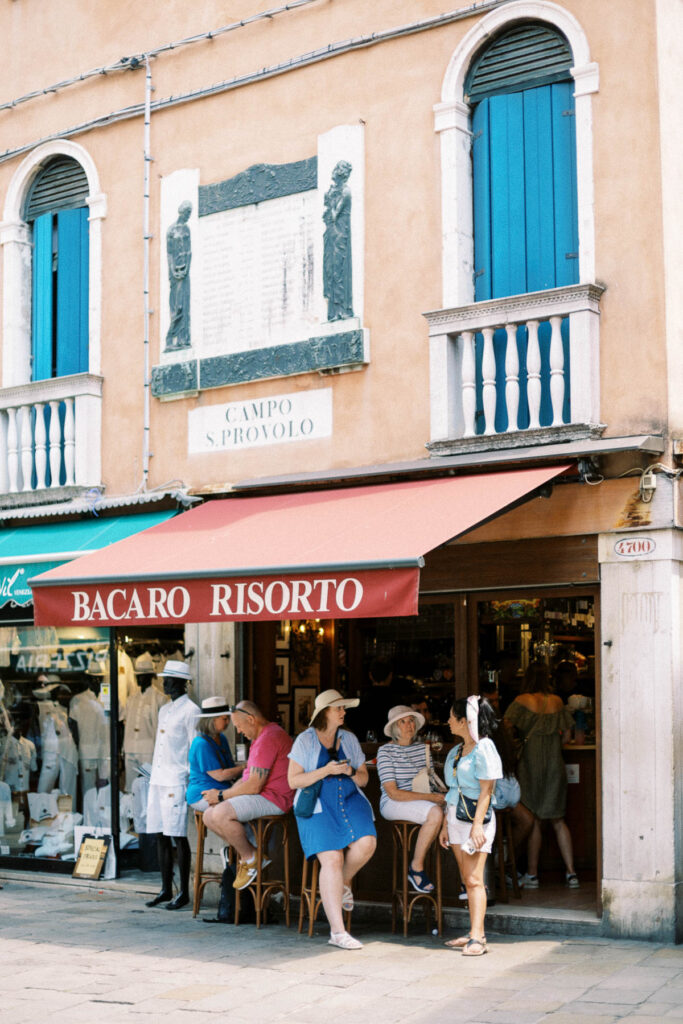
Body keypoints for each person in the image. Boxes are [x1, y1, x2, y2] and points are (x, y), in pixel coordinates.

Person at [288, 689, 376, 950]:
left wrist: (348, 770)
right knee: (333, 858)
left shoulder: (348, 738)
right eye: (339, 708)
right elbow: (294, 781)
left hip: (348, 800)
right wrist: (326, 770)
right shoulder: (304, 741)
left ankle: (343, 883)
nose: (343, 712)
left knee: (367, 843)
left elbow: (363, 778)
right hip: (317, 805)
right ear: (325, 712)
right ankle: (338, 932)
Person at [202, 700, 294, 891]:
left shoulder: (270, 737)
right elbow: (246, 779)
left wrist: (221, 796)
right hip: (263, 795)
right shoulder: (260, 738)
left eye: (239, 726)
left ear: (251, 719)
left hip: (275, 798)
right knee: (208, 816)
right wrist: (223, 797)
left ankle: (251, 858)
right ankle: (249, 851)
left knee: (219, 814)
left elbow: (253, 785)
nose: (238, 732)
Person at [504, 661, 578, 889]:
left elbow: (504, 727)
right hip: (555, 763)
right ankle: (572, 873)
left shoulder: (521, 701)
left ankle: (533, 875)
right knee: (557, 819)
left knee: (534, 816)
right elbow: (566, 737)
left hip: (530, 763)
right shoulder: (557, 701)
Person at [440, 695, 502, 956]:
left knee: (475, 879)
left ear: (465, 721)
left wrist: (478, 826)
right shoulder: (456, 751)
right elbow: (451, 790)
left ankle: (478, 937)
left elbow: (487, 790)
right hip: (455, 817)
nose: (449, 722)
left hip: (476, 820)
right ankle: (475, 932)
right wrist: (445, 824)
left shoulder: (484, 747)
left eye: (453, 718)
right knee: (467, 878)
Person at [145, 660, 198, 911]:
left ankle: (184, 892)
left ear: (179, 682)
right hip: (157, 777)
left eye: (168, 679)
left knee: (178, 835)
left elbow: (194, 747)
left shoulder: (191, 710)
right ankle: (166, 888)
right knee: (159, 834)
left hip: (176, 779)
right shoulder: (164, 710)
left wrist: (187, 776)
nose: (164, 683)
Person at [377, 705, 445, 893]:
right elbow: (393, 793)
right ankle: (416, 868)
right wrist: (431, 798)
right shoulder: (385, 752)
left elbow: (430, 782)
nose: (409, 725)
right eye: (403, 721)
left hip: (421, 799)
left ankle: (465, 880)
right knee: (435, 812)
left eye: (411, 720)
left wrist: (438, 797)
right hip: (393, 803)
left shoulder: (423, 749)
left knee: (455, 813)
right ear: (393, 728)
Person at [186, 697, 243, 813]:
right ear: (212, 720)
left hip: (221, 790)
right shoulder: (201, 744)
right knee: (238, 809)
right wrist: (244, 767)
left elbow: (229, 767)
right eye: (225, 719)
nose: (228, 722)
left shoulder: (221, 738)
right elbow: (220, 775)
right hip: (203, 794)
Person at [165, 200, 192, 350]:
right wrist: (173, 270)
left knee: (184, 306)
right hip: (174, 274)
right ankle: (170, 338)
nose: (189, 216)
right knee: (177, 306)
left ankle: (183, 339)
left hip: (184, 272)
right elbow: (169, 253)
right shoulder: (171, 230)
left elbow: (189, 251)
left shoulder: (187, 230)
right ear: (182, 212)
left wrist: (186, 267)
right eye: (188, 213)